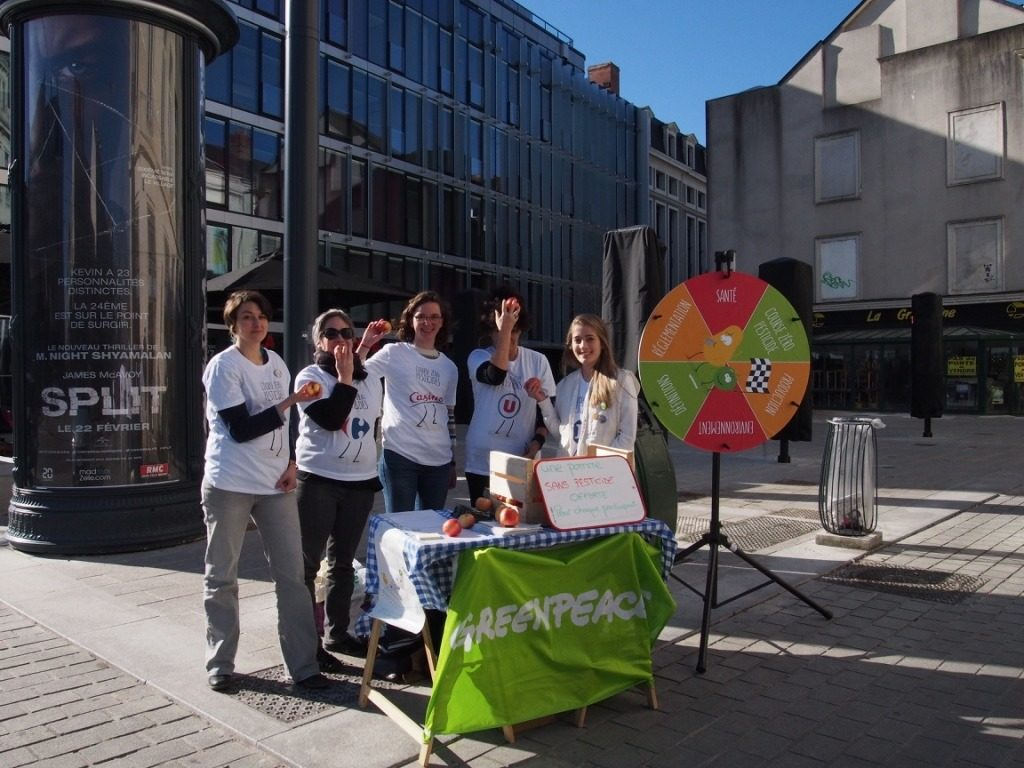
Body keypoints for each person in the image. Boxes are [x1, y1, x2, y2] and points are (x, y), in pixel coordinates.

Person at [200, 290, 328, 693]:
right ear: (233, 324)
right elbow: (241, 429)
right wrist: (292, 400)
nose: (255, 323)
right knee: (222, 577)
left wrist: (291, 463)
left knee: (292, 576)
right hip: (230, 483)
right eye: (246, 317)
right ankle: (220, 663)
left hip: (276, 485)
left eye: (260, 316)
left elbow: (285, 426)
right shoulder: (223, 367)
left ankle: (304, 666)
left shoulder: (276, 364)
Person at [295, 309, 383, 661]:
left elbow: (372, 425)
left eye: (346, 333)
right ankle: (306, 643)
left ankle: (337, 633)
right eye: (331, 334)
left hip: (359, 483)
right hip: (319, 481)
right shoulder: (310, 375)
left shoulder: (368, 377)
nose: (340, 339)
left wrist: (354, 368)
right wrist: (345, 378)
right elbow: (331, 419)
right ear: (319, 341)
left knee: (344, 563)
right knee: (307, 566)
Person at [358, 291, 458, 514]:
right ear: (411, 320)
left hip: (438, 462)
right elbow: (355, 375)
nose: (427, 322)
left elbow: (449, 416)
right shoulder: (394, 352)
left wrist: (452, 460)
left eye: (434, 317)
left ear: (442, 322)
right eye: (421, 316)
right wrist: (365, 345)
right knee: (400, 529)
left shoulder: (449, 368)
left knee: (431, 530)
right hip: (400, 456)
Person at [464, 288, 556, 502]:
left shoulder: (538, 361)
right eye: (502, 330)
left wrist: (535, 447)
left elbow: (546, 415)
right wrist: (505, 327)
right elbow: (496, 375)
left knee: (519, 523)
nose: (510, 335)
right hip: (482, 460)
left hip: (521, 459)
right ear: (491, 330)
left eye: (514, 329)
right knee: (485, 521)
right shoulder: (478, 356)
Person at [539, 313, 640, 457]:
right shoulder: (564, 386)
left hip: (605, 475)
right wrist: (543, 402)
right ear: (570, 345)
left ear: (602, 343)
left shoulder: (622, 381)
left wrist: (596, 468)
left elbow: (627, 438)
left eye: (590, 339)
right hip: (570, 473)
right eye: (577, 340)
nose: (583, 346)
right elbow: (561, 435)